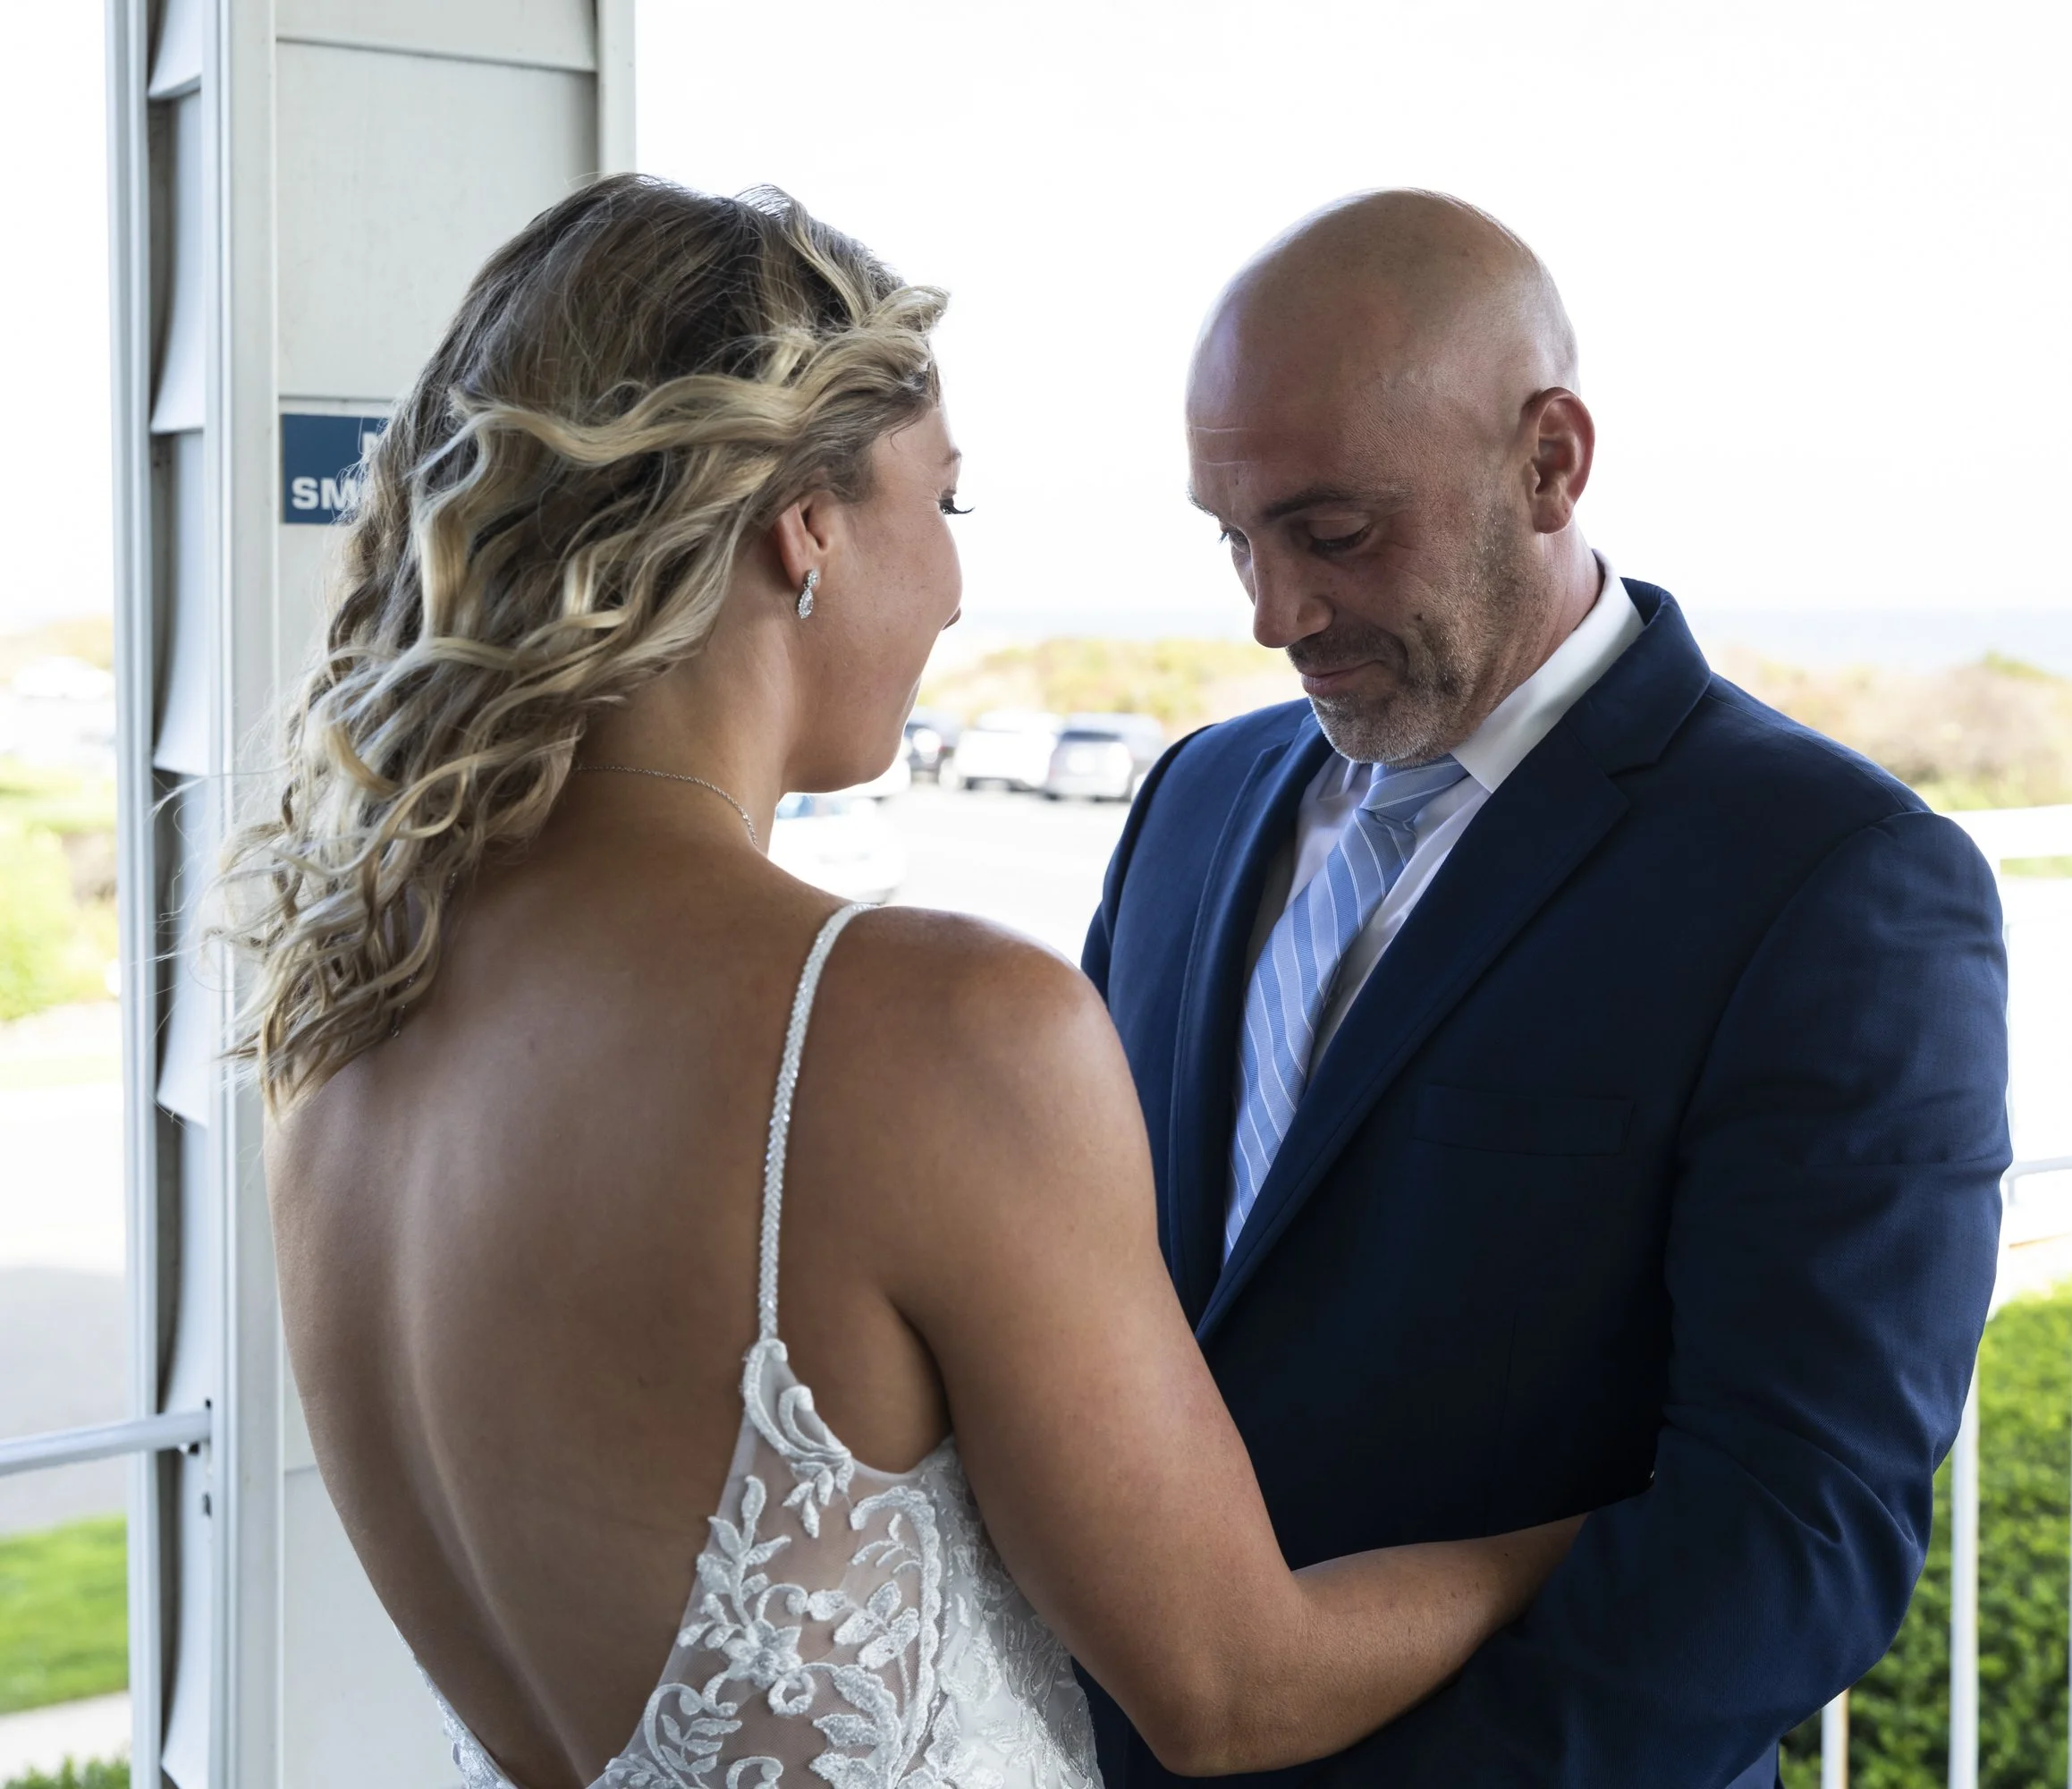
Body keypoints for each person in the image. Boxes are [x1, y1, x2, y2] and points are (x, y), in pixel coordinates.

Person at [220, 176, 1582, 1789]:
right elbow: (1231, 1687)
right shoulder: (919, 1031)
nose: (949, 584)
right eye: (946, 505)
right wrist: (1588, 1528)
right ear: (808, 528)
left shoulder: (340, 1019)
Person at [1080, 191, 2009, 1787]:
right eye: (1233, 536)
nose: (1271, 614)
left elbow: (1798, 1528)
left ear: (1551, 461)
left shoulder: (1835, 878)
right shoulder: (1193, 801)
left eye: (1336, 531)